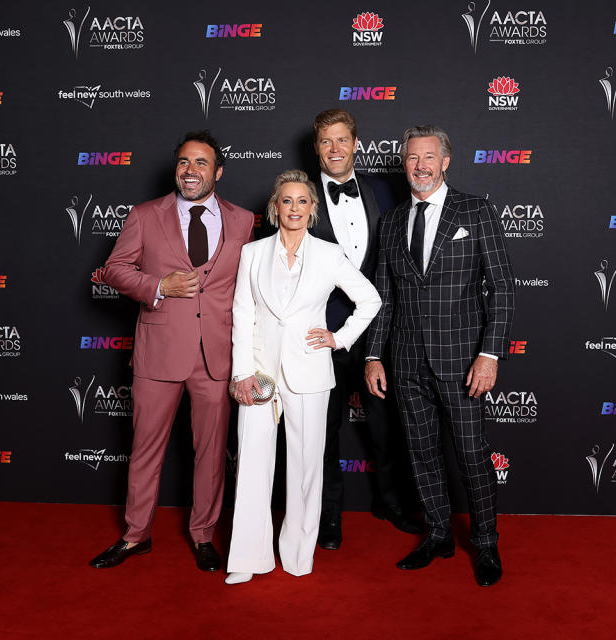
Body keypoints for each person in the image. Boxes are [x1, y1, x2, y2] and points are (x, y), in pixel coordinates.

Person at [90, 130, 255, 572]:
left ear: (218, 171)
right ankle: (135, 535)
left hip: (216, 356)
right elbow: (114, 270)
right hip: (159, 354)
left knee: (211, 453)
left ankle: (203, 535)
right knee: (145, 449)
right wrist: (159, 286)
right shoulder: (146, 216)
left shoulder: (244, 221)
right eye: (184, 162)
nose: (191, 171)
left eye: (201, 163)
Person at [364, 125, 515, 586]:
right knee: (422, 454)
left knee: (472, 455)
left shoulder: (476, 210)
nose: (421, 166)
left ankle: (485, 543)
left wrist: (490, 354)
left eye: (430, 157)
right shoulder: (391, 223)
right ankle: (438, 534)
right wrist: (373, 356)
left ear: (446, 161)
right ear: (403, 163)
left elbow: (503, 289)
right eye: (412, 158)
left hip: (464, 361)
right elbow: (383, 298)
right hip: (406, 362)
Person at [225, 170, 381, 584]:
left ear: (312, 209)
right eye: (286, 201)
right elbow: (242, 314)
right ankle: (247, 557)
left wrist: (340, 337)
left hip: (310, 371)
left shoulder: (329, 254)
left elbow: (370, 299)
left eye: (302, 201)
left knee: (306, 468)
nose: (294, 208)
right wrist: (241, 372)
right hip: (258, 373)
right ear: (274, 208)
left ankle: (297, 555)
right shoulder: (252, 253)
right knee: (253, 467)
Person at [308, 108, 425, 550]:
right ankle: (329, 515)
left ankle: (391, 504)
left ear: (357, 144)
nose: (335, 149)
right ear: (315, 148)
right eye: (325, 142)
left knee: (386, 426)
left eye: (342, 140)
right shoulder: (302, 197)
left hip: (378, 335)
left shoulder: (381, 191)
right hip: (322, 338)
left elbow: (395, 266)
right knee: (324, 431)